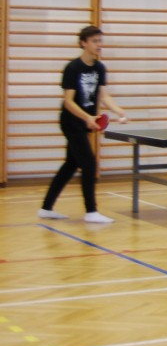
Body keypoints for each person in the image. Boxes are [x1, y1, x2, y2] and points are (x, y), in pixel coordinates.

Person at [39, 25, 128, 224]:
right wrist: (87, 117)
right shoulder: (73, 68)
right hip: (71, 122)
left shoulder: (100, 68)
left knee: (71, 164)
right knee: (89, 164)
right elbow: (68, 102)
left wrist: (118, 110)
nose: (99, 45)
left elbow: (103, 95)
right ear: (83, 43)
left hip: (86, 122)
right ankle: (91, 211)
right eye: (95, 41)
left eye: (100, 41)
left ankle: (46, 208)